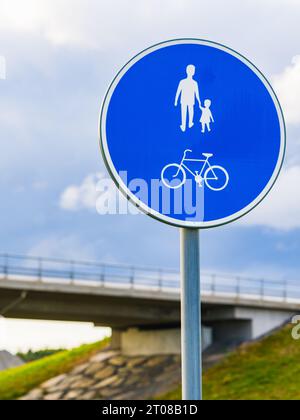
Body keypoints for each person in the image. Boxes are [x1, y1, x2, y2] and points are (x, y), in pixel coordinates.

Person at [175, 65, 201, 132]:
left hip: (190, 100)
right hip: (184, 100)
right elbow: (178, 91)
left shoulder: (194, 83)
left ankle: (189, 123)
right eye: (191, 70)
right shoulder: (183, 82)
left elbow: (197, 93)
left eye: (192, 70)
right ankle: (184, 125)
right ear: (187, 71)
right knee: (184, 112)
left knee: (189, 111)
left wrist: (199, 101)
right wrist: (176, 100)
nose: (192, 72)